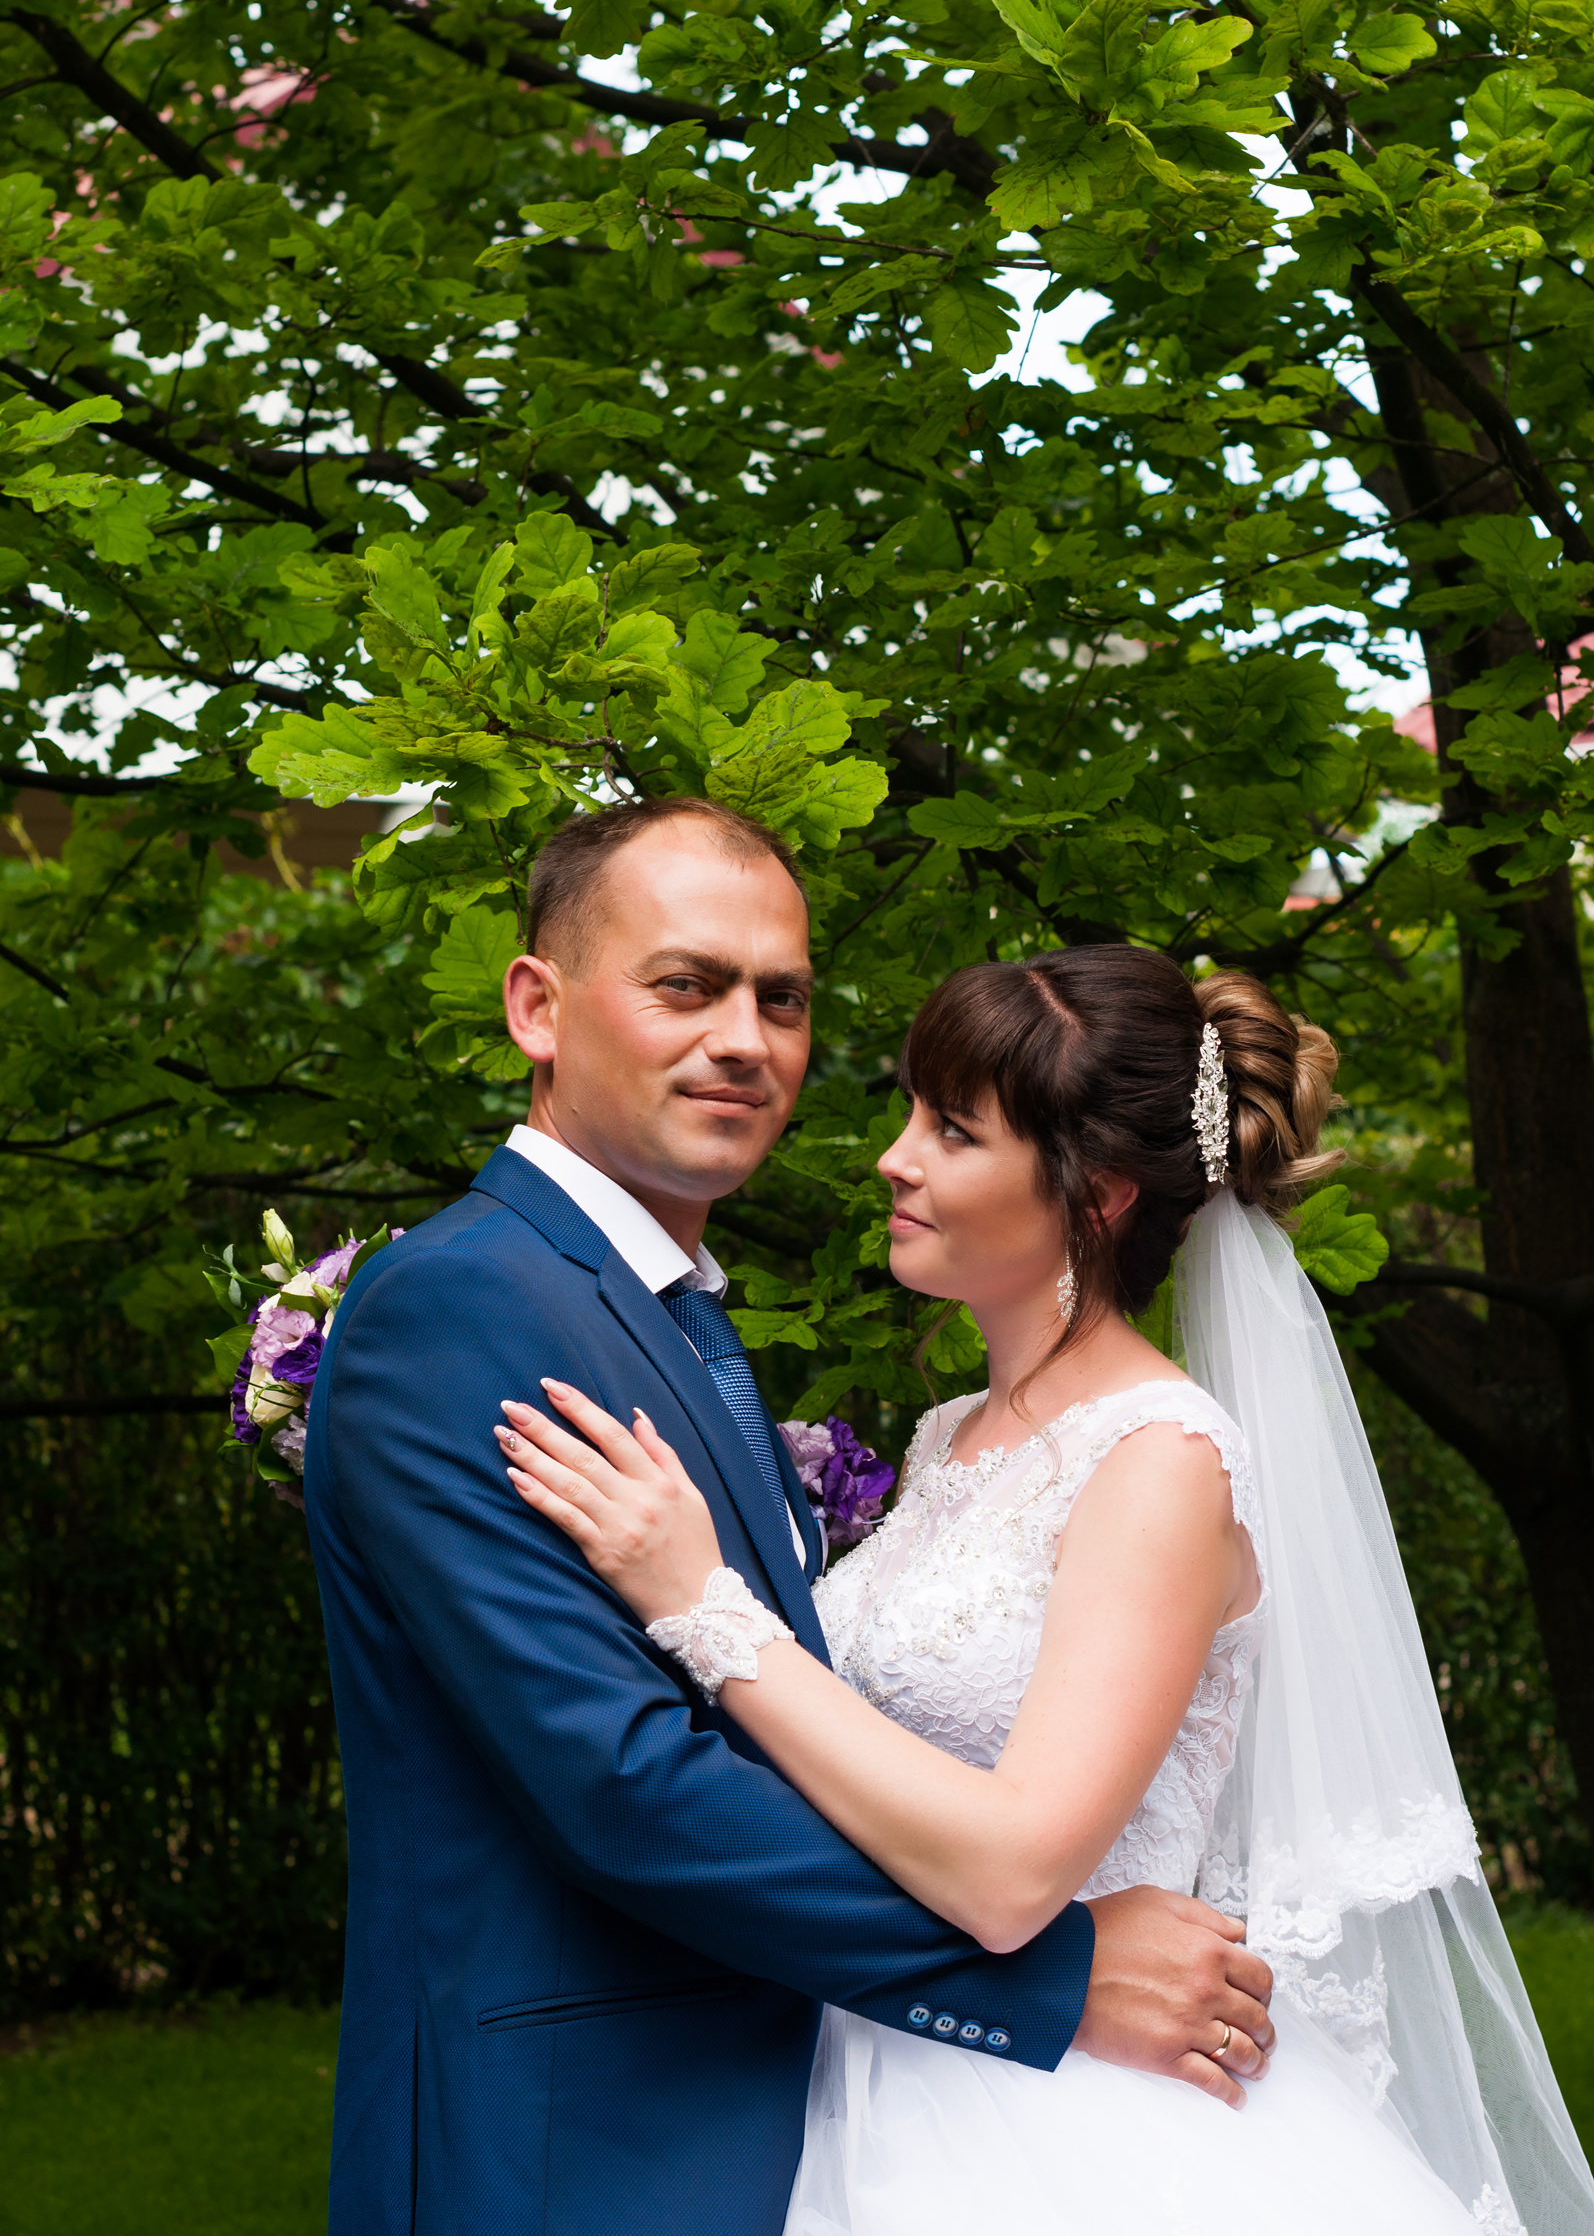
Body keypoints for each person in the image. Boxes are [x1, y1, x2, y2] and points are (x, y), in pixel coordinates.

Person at [498, 940, 1594, 2236]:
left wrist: (705, 1606)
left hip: (1064, 2118)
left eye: (953, 1130)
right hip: (877, 2050)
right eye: (913, 1112)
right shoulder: (953, 1432)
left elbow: (1019, 1867)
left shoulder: (1157, 1463)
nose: (894, 1159)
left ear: (1098, 1194)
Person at [304, 799, 1277, 2236]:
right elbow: (626, 1783)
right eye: (684, 985)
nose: (746, 1039)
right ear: (537, 1005)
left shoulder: (669, 1320)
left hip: (836, 2115)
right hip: (574, 2141)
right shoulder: (465, 1305)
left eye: (783, 998)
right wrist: (1053, 1980)